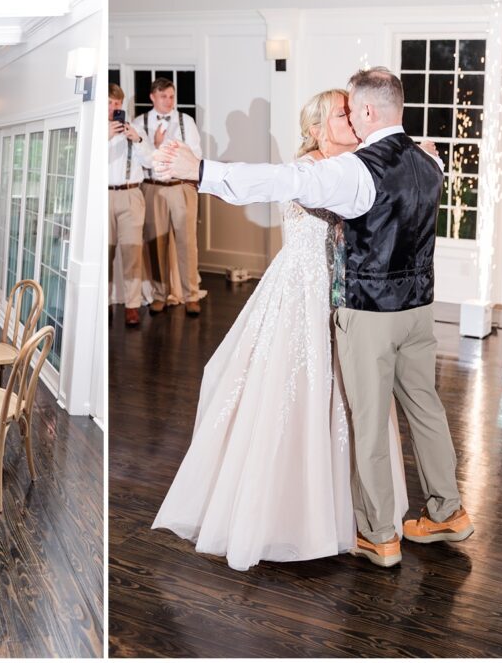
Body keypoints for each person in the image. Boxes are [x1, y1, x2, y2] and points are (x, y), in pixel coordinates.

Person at [156, 68, 474, 568]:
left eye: (352, 109)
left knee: (366, 420)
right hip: (419, 310)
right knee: (426, 409)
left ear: (368, 112)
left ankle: (380, 534)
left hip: (370, 311)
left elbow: (280, 180)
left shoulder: (356, 170)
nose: (348, 116)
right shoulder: (427, 160)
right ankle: (448, 511)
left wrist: (204, 170)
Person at [132, 77, 204, 316]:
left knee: (188, 242)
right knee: (156, 242)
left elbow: (195, 153)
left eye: (172, 96)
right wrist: (157, 145)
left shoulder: (186, 121)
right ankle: (160, 296)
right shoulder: (139, 122)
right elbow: (142, 158)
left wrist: (168, 150)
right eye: (164, 96)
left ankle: (191, 295)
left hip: (182, 187)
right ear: (153, 97)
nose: (169, 101)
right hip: (153, 187)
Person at [108, 83, 151, 327]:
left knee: (132, 252)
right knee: (106, 252)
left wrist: (139, 139)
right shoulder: (96, 131)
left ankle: (132, 306)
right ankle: (105, 304)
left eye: (117, 104)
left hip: (131, 194)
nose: (114, 108)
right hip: (104, 196)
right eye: (110, 103)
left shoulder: (134, 130)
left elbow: (150, 160)